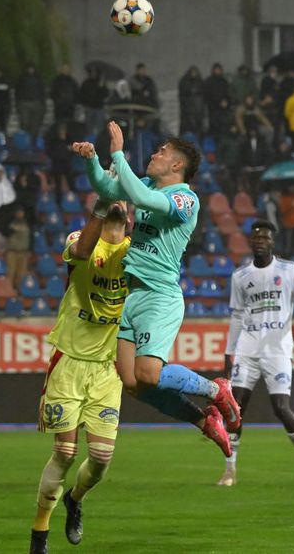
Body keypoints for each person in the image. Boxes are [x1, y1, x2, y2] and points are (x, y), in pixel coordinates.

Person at [71, 121, 239, 458]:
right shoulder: (147, 184)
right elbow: (109, 188)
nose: (153, 154)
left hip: (159, 296)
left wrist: (118, 152)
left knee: (148, 375)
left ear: (177, 165)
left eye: (161, 152)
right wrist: (92, 161)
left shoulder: (185, 199)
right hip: (131, 295)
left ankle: (214, 388)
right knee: (132, 383)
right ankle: (204, 421)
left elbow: (140, 196)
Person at [29, 198, 130, 554]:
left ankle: (75, 499)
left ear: (130, 213)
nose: (117, 199)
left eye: (122, 196)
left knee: (101, 460)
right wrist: (100, 209)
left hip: (107, 368)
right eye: (109, 193)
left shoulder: (135, 254)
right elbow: (82, 253)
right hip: (69, 359)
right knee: (65, 452)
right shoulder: (81, 237)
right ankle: (39, 535)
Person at [219, 220, 294, 487]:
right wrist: (230, 351)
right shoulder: (240, 276)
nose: (260, 240)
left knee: (280, 407)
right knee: (234, 407)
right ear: (251, 243)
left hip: (278, 349)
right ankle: (230, 469)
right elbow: (237, 315)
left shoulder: (289, 269)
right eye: (256, 237)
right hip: (247, 348)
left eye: (265, 237)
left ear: (273, 242)